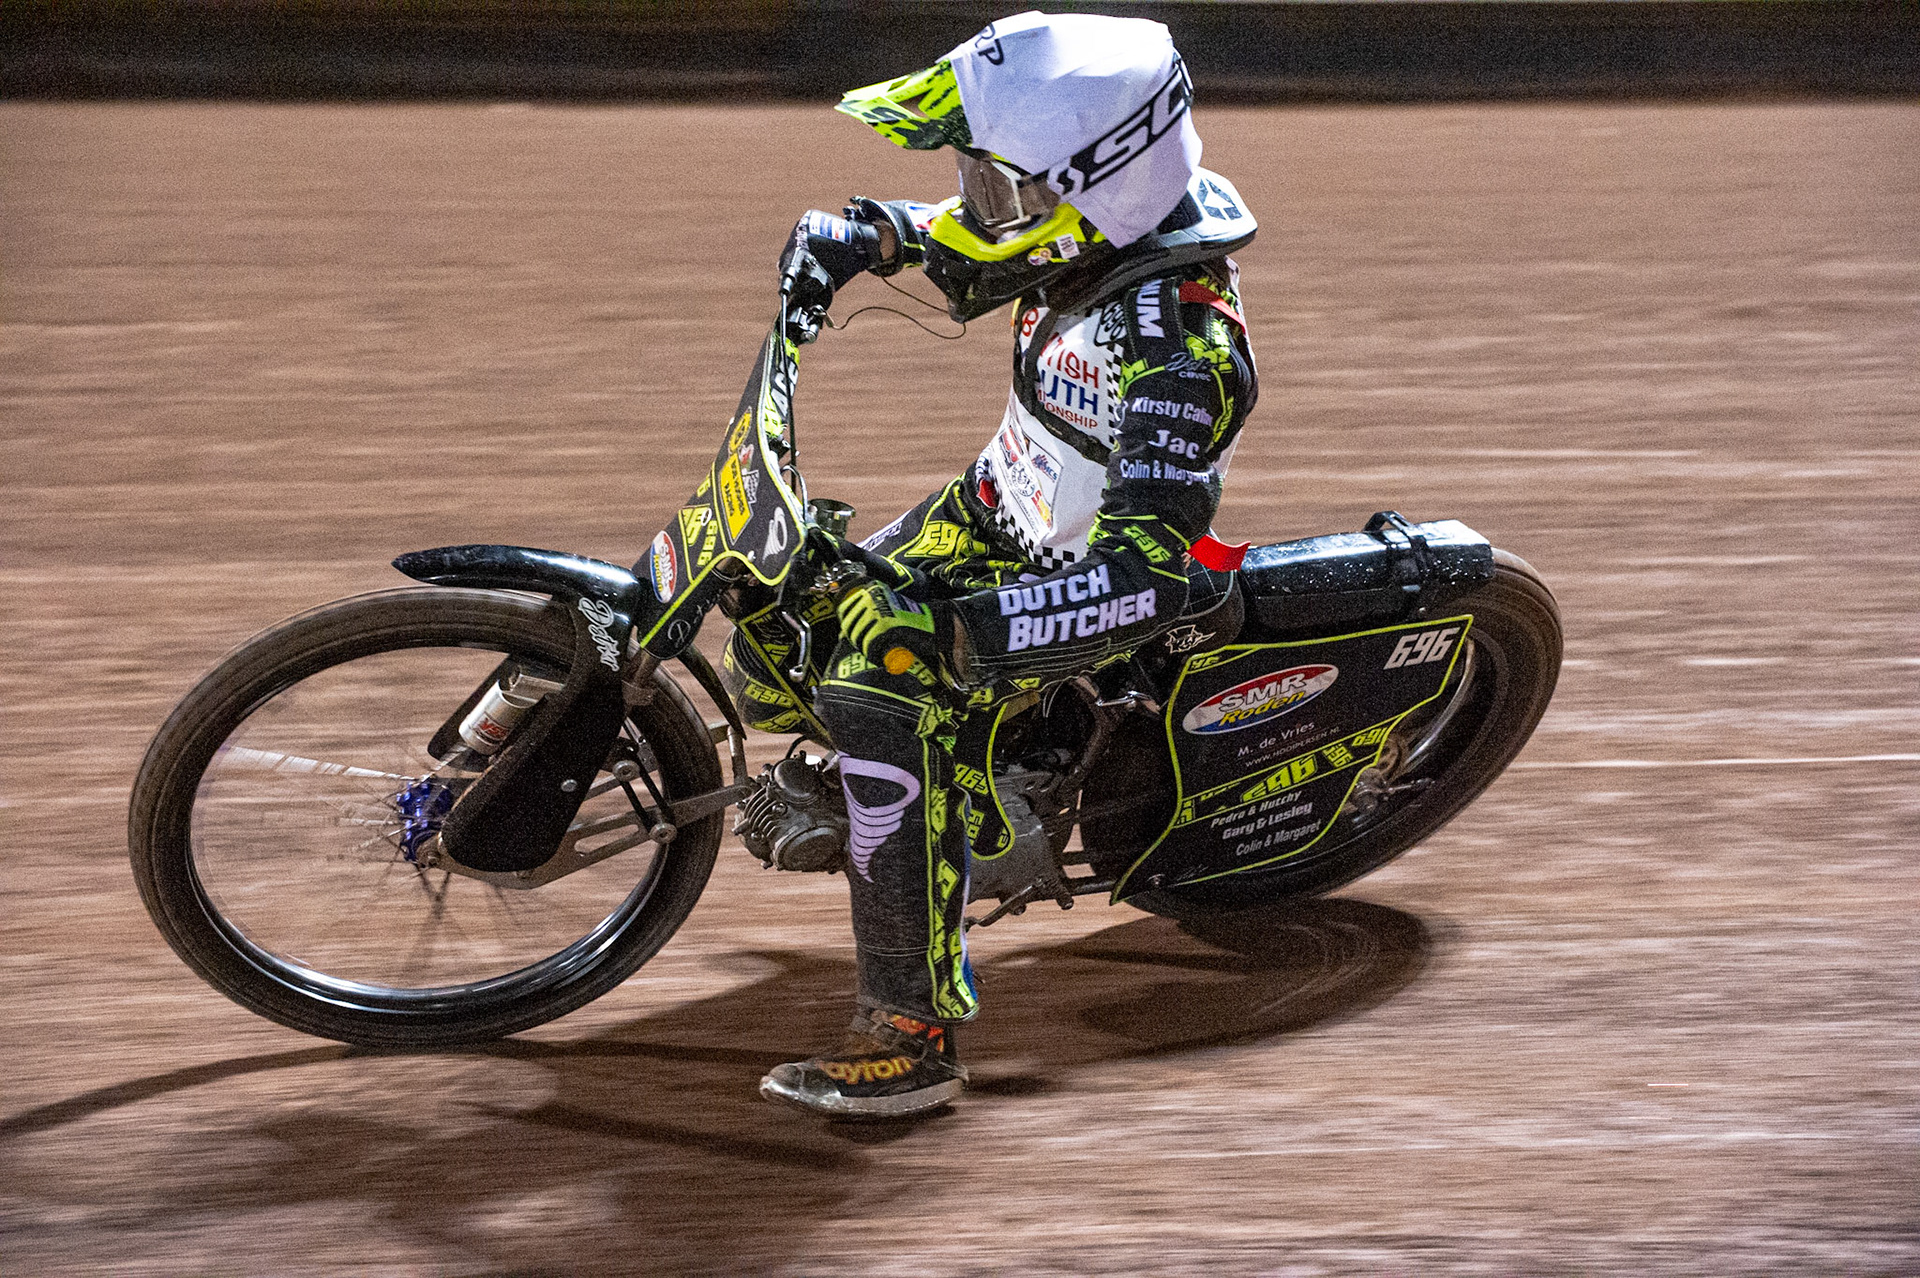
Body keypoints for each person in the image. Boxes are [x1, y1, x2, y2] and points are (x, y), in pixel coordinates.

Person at [729, 11, 1260, 1118]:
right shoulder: (1093, 232)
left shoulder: (1180, 351)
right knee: (775, 608)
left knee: (884, 674)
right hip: (991, 510)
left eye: (997, 182)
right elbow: (978, 238)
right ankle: (932, 785)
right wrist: (869, 235)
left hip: (1102, 581)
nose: (979, 201)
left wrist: (963, 635)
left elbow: (1155, 576)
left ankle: (911, 1036)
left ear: (1095, 186)